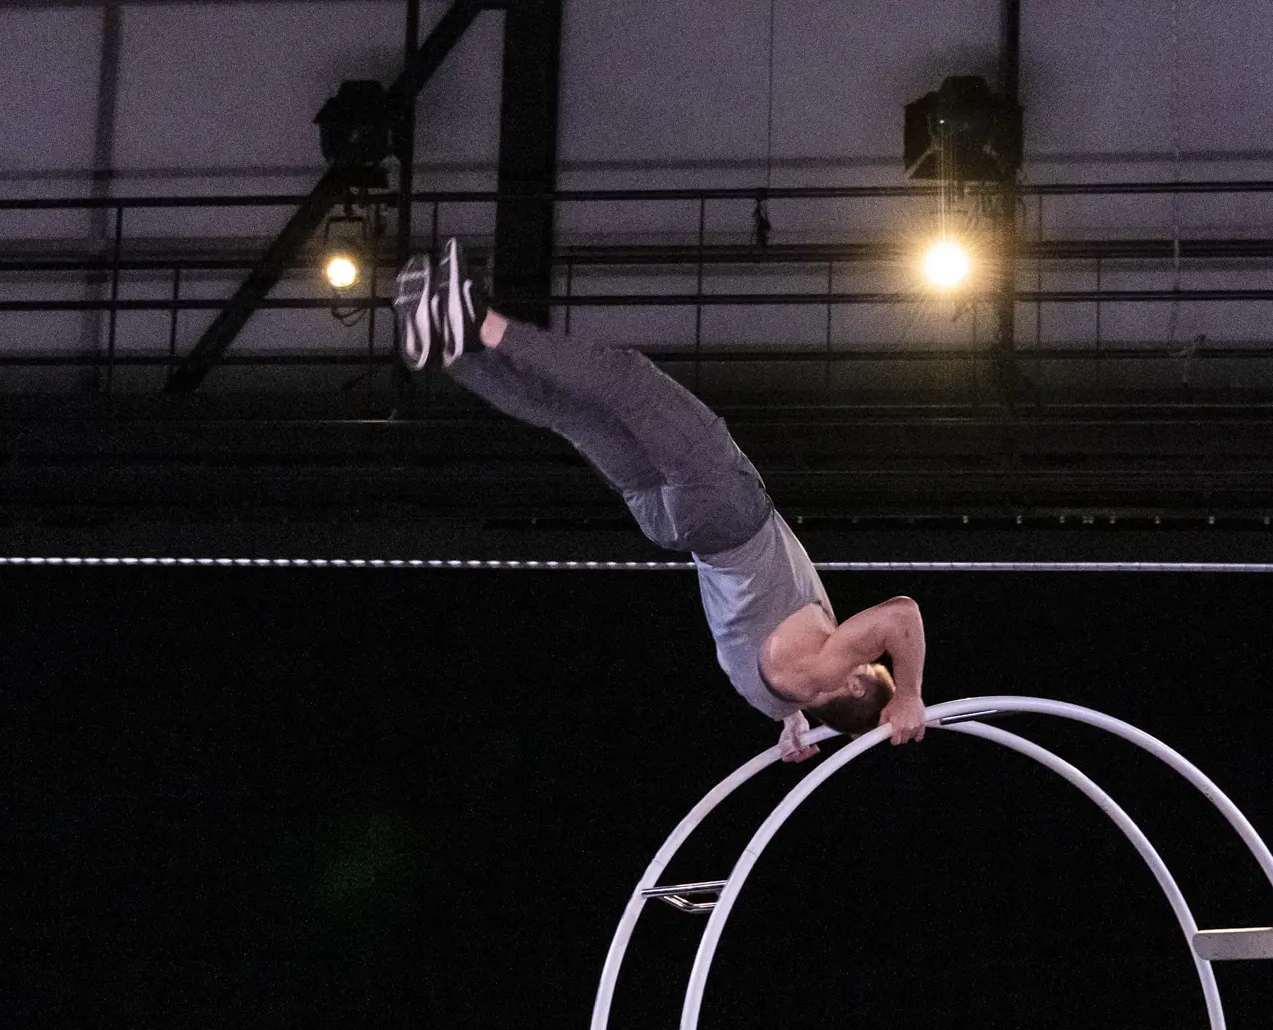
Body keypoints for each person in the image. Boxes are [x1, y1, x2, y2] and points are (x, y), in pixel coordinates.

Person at [395, 239, 926, 763]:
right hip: (673, 526)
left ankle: (478, 322)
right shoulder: (772, 696)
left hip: (726, 514)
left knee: (629, 384)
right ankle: (451, 356)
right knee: (577, 417)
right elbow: (792, 678)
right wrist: (792, 722)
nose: (859, 658)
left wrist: (907, 694)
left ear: (855, 687)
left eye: (867, 668)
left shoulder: (824, 670)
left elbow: (901, 617)